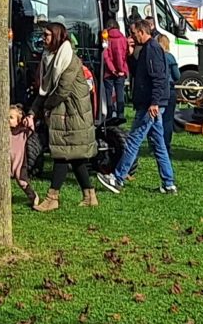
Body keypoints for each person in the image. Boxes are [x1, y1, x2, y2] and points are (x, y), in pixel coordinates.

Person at [99, 16, 181, 196]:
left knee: (133, 140)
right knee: (158, 144)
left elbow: (159, 78)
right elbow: (139, 73)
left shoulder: (152, 49)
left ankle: (117, 178)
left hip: (149, 105)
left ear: (143, 32)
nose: (131, 36)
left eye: (134, 33)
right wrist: (130, 55)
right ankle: (168, 183)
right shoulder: (145, 49)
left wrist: (154, 103)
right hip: (150, 104)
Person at [30, 21, 98, 211]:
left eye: (47, 35)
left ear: (58, 37)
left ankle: (52, 198)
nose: (44, 38)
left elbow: (62, 90)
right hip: (65, 112)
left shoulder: (69, 60)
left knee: (61, 154)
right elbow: (44, 90)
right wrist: (33, 111)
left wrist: (47, 108)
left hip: (73, 114)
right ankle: (89, 194)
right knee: (74, 156)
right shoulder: (50, 58)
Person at [98, 19, 129, 122]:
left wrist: (112, 69)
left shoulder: (106, 39)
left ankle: (110, 114)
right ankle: (120, 114)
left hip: (109, 72)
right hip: (121, 71)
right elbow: (125, 55)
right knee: (120, 92)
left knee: (108, 93)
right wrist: (121, 69)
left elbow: (106, 56)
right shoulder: (123, 39)